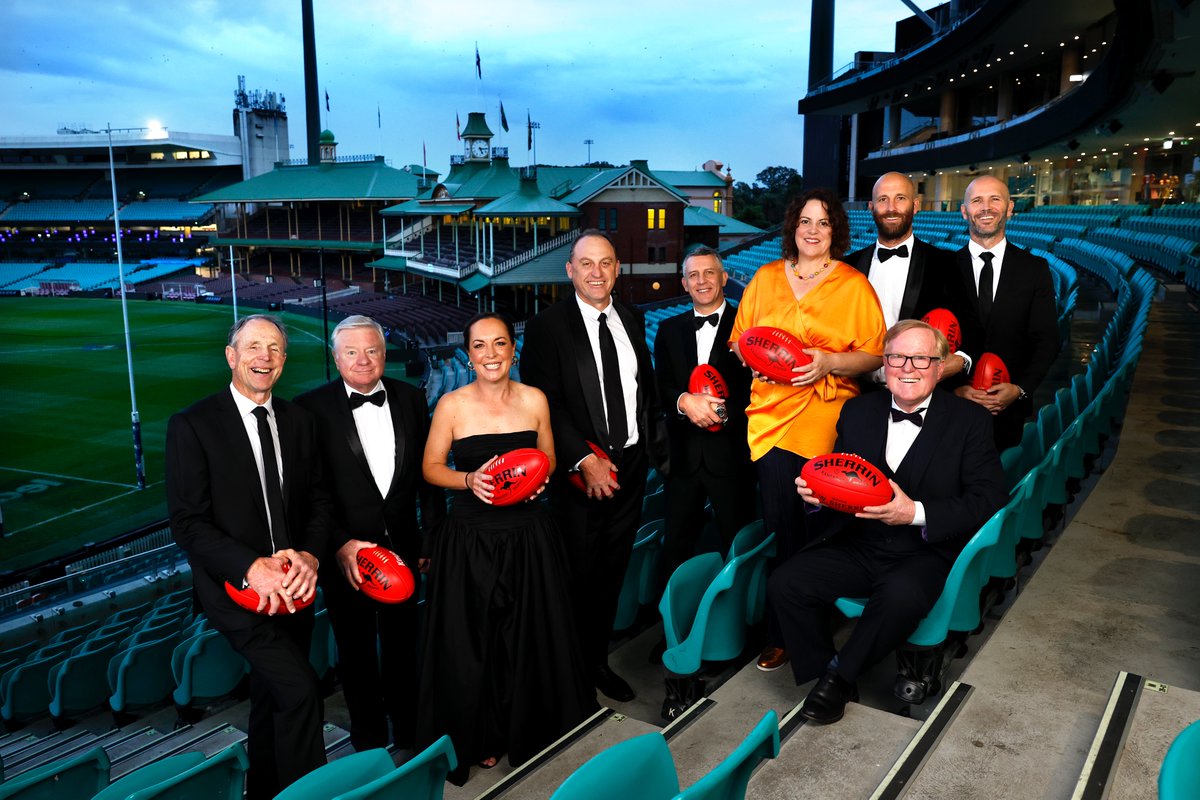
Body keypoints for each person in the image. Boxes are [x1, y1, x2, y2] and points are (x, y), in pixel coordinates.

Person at [769, 320, 1007, 723]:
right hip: (860, 544)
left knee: (899, 596)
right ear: (884, 363)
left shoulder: (971, 421)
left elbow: (988, 500)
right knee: (785, 583)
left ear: (939, 366)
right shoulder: (858, 410)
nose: (908, 367)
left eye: (921, 358)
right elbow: (840, 483)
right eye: (897, 357)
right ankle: (831, 669)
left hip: (924, 550)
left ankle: (838, 680)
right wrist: (815, 498)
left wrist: (912, 513)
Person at [416, 312, 596, 785]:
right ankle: (482, 739)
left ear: (512, 351)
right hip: (471, 539)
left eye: (499, 344)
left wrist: (539, 481)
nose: (491, 354)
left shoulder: (535, 399)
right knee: (475, 643)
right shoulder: (451, 405)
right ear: (470, 353)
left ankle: (531, 732)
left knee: (529, 636)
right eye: (480, 346)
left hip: (531, 534)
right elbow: (432, 468)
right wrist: (468, 479)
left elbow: (551, 458)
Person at [166, 314, 331, 799]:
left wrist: (311, 557)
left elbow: (319, 501)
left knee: (271, 696)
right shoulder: (193, 425)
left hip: (295, 589)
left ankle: (262, 790)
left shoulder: (300, 422)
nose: (265, 357)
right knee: (301, 691)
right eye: (254, 347)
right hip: (233, 591)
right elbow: (187, 523)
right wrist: (249, 566)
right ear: (231, 356)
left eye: (275, 349)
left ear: (284, 360)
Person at [729, 189, 887, 673]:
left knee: (820, 530)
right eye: (804, 221)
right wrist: (757, 360)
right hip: (769, 417)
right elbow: (739, 342)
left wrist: (830, 362)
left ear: (835, 230)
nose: (813, 230)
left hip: (826, 414)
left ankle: (812, 627)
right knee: (782, 529)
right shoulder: (765, 277)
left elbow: (875, 354)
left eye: (822, 222)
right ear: (792, 228)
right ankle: (782, 632)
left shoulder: (853, 284)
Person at [520, 229, 665, 703]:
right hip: (582, 476)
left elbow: (643, 389)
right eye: (586, 264)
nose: (596, 272)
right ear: (570, 270)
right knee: (577, 578)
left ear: (617, 269)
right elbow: (547, 404)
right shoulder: (547, 326)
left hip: (631, 466)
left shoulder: (631, 316)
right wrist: (585, 460)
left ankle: (596, 661)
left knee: (611, 574)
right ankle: (570, 676)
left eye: (605, 263)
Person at [294, 315, 443, 754]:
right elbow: (306, 494)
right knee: (356, 656)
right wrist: (338, 545)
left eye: (372, 350)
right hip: (346, 559)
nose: (363, 360)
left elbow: (427, 479)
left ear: (384, 353)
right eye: (352, 352)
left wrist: (428, 539)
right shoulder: (308, 409)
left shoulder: (412, 399)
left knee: (403, 651)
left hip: (405, 550)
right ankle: (370, 744)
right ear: (336, 358)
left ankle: (412, 736)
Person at [652, 245, 755, 592]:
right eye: (693, 275)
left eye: (709, 272)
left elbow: (755, 393)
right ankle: (671, 635)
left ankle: (737, 629)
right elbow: (661, 387)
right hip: (683, 458)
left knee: (737, 546)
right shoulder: (667, 330)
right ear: (684, 283)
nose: (702, 281)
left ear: (724, 277)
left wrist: (719, 412)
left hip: (732, 457)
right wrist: (684, 401)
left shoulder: (748, 329)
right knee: (676, 546)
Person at [955, 175, 1060, 449]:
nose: (986, 208)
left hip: (1009, 409)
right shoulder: (944, 268)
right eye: (977, 201)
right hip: (953, 406)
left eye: (995, 199)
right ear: (964, 211)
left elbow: (1047, 339)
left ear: (1010, 208)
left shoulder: (1035, 269)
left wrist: (1020, 388)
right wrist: (954, 389)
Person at [845, 172, 981, 383]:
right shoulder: (847, 266)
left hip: (924, 392)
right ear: (871, 207)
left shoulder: (945, 263)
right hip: (857, 390)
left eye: (900, 198)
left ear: (916, 205)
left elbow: (972, 324)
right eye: (883, 200)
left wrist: (962, 360)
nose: (891, 208)